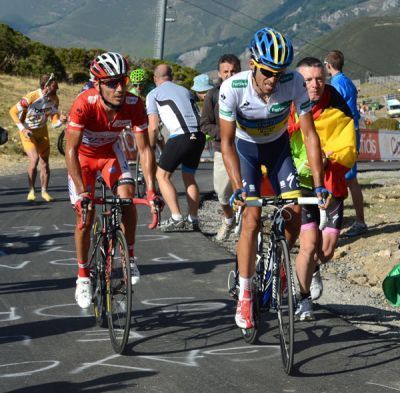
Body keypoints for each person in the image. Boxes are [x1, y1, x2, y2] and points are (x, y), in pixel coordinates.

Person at [219, 27, 327, 329]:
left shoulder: (293, 83)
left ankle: (278, 268)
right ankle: (245, 293)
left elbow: (309, 134)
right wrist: (239, 188)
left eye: (279, 73)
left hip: (278, 150)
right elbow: (226, 143)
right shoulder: (233, 88)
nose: (273, 80)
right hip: (246, 150)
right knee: (252, 217)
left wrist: (319, 185)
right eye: (267, 72)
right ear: (253, 63)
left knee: (294, 214)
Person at [65, 52, 158, 309]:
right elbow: (71, 151)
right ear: (98, 84)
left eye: (123, 81)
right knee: (85, 215)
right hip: (83, 159)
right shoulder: (84, 103)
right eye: (112, 82)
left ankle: (129, 256)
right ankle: (83, 276)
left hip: (109, 156)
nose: (119, 88)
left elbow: (145, 149)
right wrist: (83, 193)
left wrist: (151, 190)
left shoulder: (134, 104)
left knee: (127, 198)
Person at [288, 57, 356, 320]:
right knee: (309, 244)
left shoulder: (337, 106)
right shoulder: (288, 106)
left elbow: (349, 145)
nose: (314, 85)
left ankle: (314, 268)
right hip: (302, 186)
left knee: (325, 252)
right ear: (298, 82)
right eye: (307, 80)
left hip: (331, 183)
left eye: (319, 79)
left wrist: (331, 156)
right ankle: (304, 300)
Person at [146, 64, 206, 231]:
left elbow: (153, 126)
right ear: (171, 77)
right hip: (198, 136)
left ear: (154, 79)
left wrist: (149, 146)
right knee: (189, 177)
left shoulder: (153, 94)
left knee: (162, 176)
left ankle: (176, 217)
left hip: (180, 136)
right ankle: (194, 219)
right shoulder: (185, 90)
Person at [324, 50, 367, 237]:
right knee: (348, 179)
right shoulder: (347, 81)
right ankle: (349, 220)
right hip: (351, 131)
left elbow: (334, 110)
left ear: (328, 65)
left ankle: (357, 221)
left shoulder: (336, 84)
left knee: (345, 178)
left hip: (344, 134)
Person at [200, 54, 241, 241]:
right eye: (226, 71)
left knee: (246, 191)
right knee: (223, 193)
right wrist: (225, 133)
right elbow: (204, 124)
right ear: (219, 73)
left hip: (246, 150)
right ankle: (229, 218)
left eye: (233, 71)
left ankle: (244, 223)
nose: (230, 75)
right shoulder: (212, 95)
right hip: (222, 150)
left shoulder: (247, 91)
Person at [9, 73, 67, 202]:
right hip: (28, 132)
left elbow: (54, 123)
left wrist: (61, 121)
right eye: (54, 86)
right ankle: (31, 190)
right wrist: (22, 129)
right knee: (34, 159)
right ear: (46, 86)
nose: (57, 88)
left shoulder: (55, 99)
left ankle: (44, 191)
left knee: (45, 163)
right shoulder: (31, 97)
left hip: (42, 131)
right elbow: (12, 111)